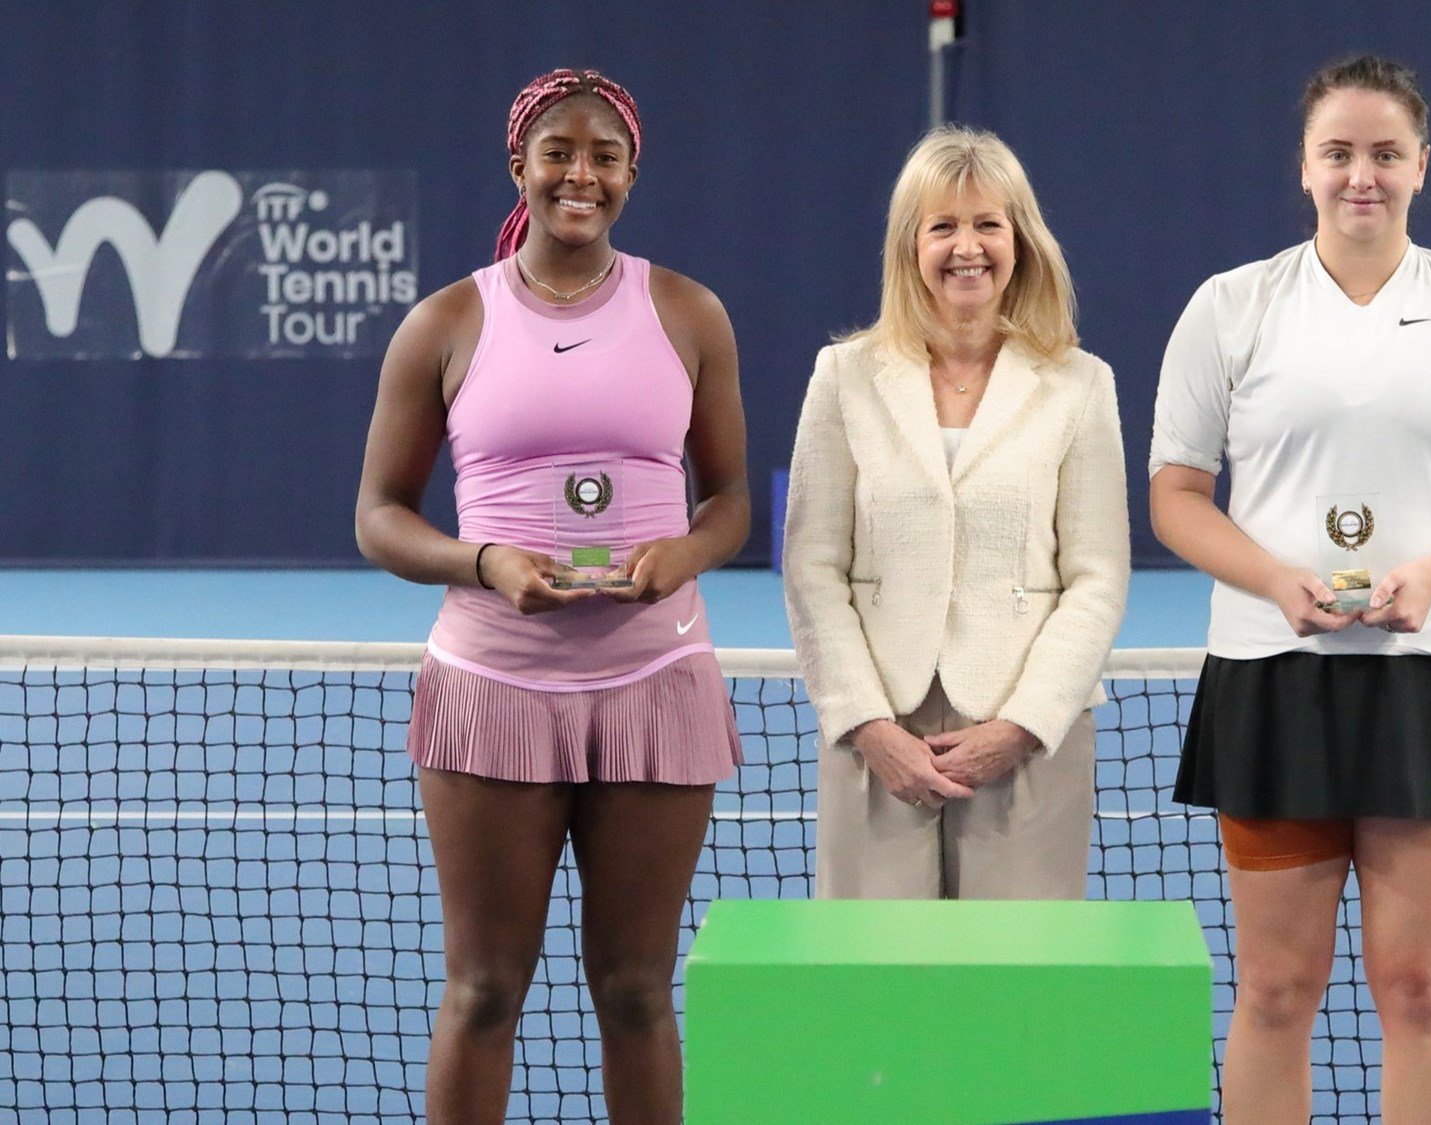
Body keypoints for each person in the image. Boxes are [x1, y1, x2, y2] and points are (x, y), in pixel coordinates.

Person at [1148, 56, 1431, 1123]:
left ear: (1421, 165)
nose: (1360, 176)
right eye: (1337, 153)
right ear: (1303, 168)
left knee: (1418, 989)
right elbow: (1177, 499)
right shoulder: (1228, 308)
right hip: (1269, 678)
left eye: (1384, 153)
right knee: (1277, 991)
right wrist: (1273, 580)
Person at [354, 68, 747, 1124]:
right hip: (492, 688)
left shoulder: (689, 313)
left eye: (604, 156)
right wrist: (483, 563)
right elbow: (380, 517)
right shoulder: (443, 323)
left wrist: (682, 554)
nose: (582, 174)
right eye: (559, 153)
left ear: (631, 172)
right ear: (518, 166)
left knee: (634, 992)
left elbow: (731, 502)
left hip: (657, 684)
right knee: (484, 992)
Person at [783, 125, 1129, 900]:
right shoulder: (842, 377)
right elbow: (811, 567)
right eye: (943, 226)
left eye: (987, 224)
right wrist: (870, 727)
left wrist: (1021, 727)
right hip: (877, 736)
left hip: (1028, 736)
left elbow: (1097, 577)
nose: (965, 247)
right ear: (911, 245)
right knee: (877, 989)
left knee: (1016, 994)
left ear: (1020, 240)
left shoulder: (1082, 384)